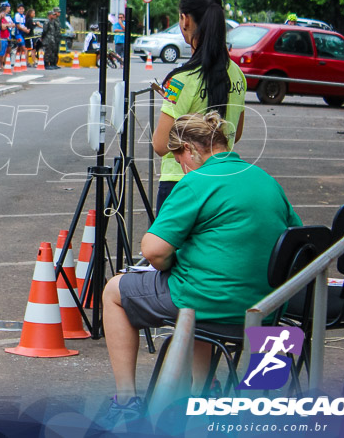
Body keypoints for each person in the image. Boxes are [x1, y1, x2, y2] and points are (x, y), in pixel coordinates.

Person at [100, 111, 302, 428]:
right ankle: (201, 390)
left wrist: (168, 264)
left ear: (192, 151)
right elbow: (296, 240)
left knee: (114, 291)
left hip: (208, 304)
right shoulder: (265, 179)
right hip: (267, 311)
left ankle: (126, 400)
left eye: (179, 158)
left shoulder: (198, 181)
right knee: (201, 285)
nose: (181, 167)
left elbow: (153, 250)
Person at [151, 0, 246, 209]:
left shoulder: (180, 80)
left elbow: (161, 144)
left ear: (185, 20)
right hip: (221, 183)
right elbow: (236, 132)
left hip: (181, 184)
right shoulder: (237, 74)